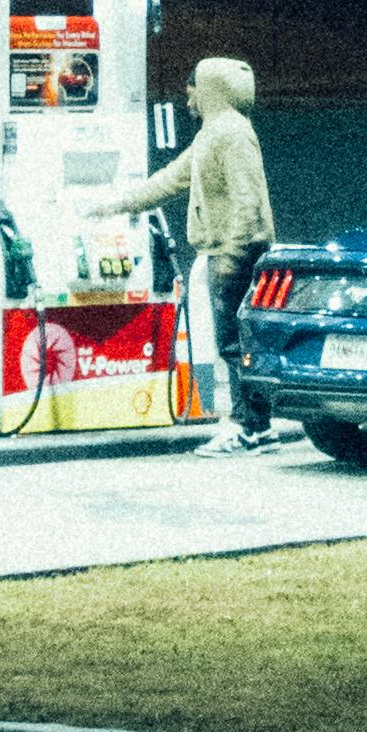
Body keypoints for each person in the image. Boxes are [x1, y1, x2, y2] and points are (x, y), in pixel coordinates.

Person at [98, 55, 281, 448]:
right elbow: (171, 178)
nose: (188, 101)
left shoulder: (232, 132)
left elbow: (247, 200)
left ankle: (250, 427)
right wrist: (119, 205)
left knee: (235, 345)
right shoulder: (213, 134)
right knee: (232, 344)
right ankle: (254, 426)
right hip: (225, 251)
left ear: (209, 90)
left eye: (191, 92)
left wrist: (233, 254)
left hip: (235, 253)